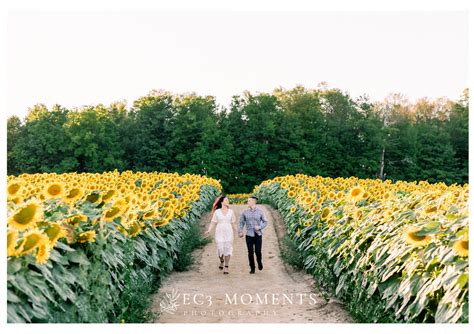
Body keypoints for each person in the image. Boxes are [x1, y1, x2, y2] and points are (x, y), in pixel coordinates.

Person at [204, 194, 237, 275]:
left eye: (228, 200)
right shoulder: (217, 212)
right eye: (226, 200)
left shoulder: (231, 212)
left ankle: (226, 266)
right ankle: (221, 261)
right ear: (222, 202)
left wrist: (238, 231)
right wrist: (209, 230)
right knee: (220, 248)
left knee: (227, 248)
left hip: (228, 231)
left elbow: (234, 223)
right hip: (219, 231)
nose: (228, 201)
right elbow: (213, 222)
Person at [239, 195, 268, 274]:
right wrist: (240, 231)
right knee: (250, 252)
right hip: (249, 235)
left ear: (254, 202)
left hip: (258, 235)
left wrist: (259, 227)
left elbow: (265, 221)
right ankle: (252, 268)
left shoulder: (260, 211)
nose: (247, 202)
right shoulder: (245, 212)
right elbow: (241, 222)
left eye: (249, 201)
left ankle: (259, 262)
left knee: (258, 252)